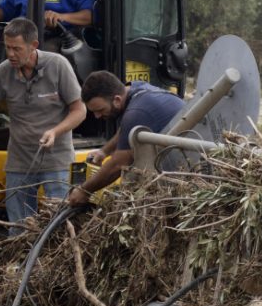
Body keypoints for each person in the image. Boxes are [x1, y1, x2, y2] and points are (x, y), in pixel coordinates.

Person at [0, 17, 85, 222]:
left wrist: (55, 132)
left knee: (59, 227)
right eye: (7, 47)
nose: (10, 54)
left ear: (33, 45)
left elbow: (79, 110)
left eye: (16, 49)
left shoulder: (58, 66)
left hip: (57, 162)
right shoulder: (4, 71)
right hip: (19, 163)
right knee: (19, 227)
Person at [67, 71, 186, 208]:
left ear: (117, 100)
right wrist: (104, 151)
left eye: (100, 110)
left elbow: (118, 164)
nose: (97, 116)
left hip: (187, 165)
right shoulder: (135, 89)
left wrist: (84, 190)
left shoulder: (137, 112)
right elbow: (126, 129)